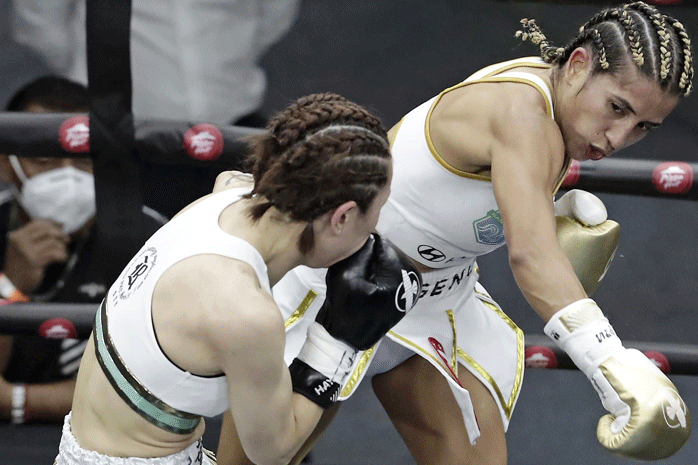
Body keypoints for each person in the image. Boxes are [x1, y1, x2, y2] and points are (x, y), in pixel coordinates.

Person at [216, 2, 695, 464]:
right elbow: (530, 257)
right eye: (616, 108)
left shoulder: (556, 110)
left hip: (430, 303)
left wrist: (545, 214)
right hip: (330, 288)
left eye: (643, 127)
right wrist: (607, 358)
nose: (618, 137)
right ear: (578, 65)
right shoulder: (523, 114)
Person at [55, 93, 421, 465]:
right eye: (378, 210)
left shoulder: (225, 200)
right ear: (342, 217)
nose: (377, 229)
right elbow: (272, 452)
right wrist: (337, 343)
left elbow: (232, 182)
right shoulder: (245, 315)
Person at [0, 76, 168, 425]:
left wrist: (19, 400)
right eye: (45, 159)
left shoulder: (151, 237)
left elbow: (153, 385)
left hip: (110, 438)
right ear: (5, 163)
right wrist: (10, 286)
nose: (68, 176)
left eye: (84, 159)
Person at [12, 0, 301, 127]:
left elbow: (275, 15)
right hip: (119, 132)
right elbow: (39, 21)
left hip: (234, 121)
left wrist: (224, 63)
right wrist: (90, 67)